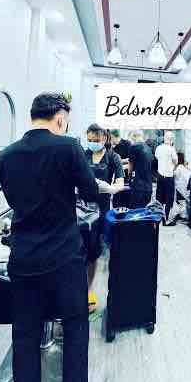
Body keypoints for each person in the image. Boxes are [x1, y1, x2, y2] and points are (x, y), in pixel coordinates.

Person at [0, 92, 99, 382]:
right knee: (75, 329)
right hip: (64, 257)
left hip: (24, 258)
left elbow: (14, 200)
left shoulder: (6, 155)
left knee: (24, 335)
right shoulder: (68, 147)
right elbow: (90, 191)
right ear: (60, 119)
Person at [84, 124, 124, 312]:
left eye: (96, 140)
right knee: (78, 251)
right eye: (89, 140)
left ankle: (89, 290)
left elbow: (120, 182)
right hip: (80, 207)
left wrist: (111, 188)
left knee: (93, 251)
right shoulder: (83, 154)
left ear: (105, 138)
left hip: (100, 209)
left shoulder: (113, 157)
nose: (92, 143)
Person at [155, 131, 178, 226]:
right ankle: (166, 219)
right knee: (169, 198)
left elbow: (157, 157)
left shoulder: (158, 148)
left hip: (160, 176)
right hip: (169, 176)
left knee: (159, 198)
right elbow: (176, 161)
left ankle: (158, 218)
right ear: (171, 139)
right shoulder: (171, 149)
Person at [128, 130, 153, 208]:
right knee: (144, 211)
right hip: (148, 187)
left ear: (134, 137)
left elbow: (130, 165)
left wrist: (129, 176)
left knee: (135, 211)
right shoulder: (148, 148)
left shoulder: (134, 147)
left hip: (138, 187)